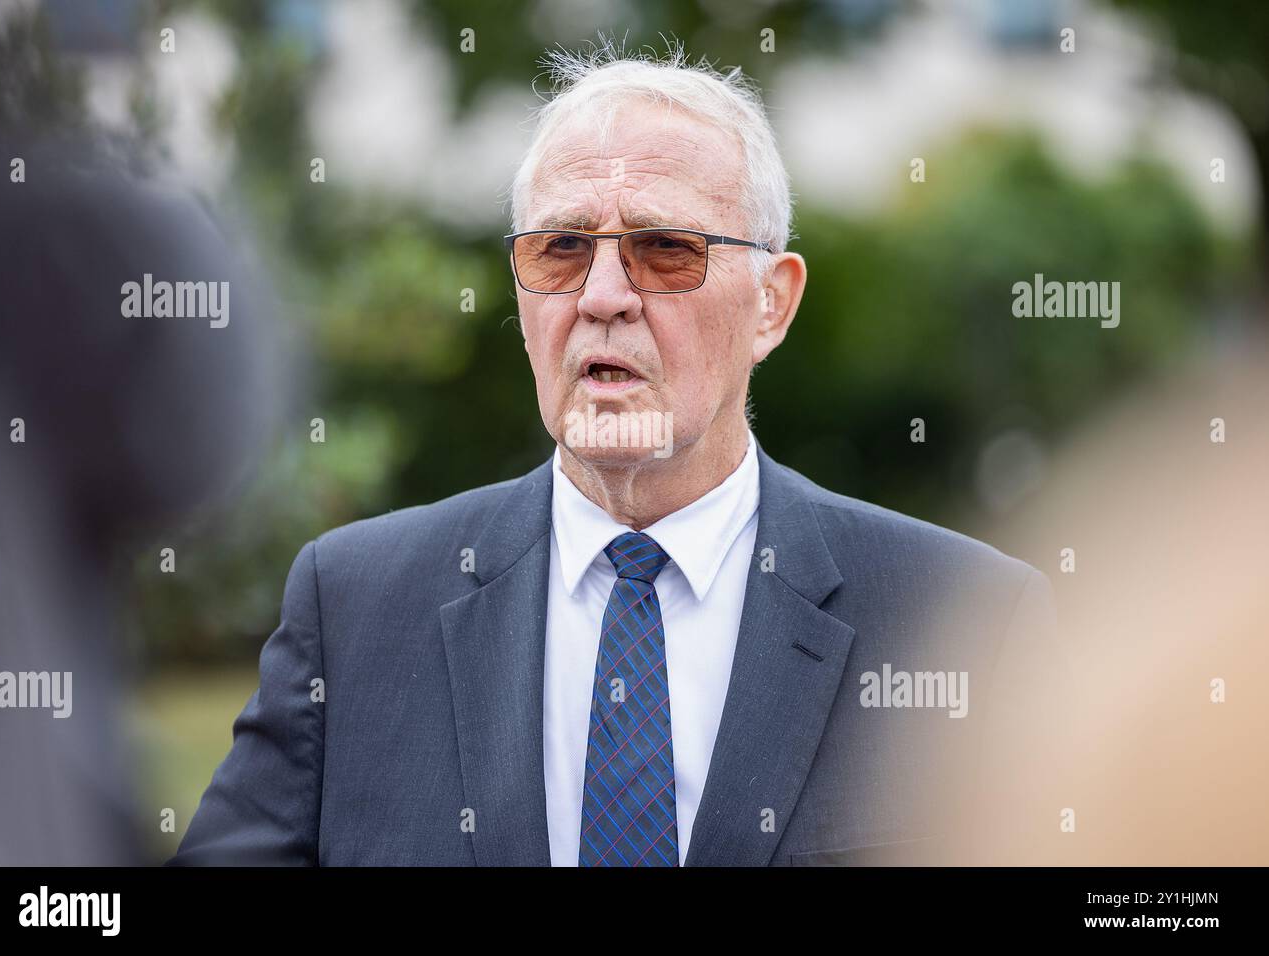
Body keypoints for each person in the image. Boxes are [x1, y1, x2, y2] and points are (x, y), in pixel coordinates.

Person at [171, 43, 1057, 867]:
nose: (602, 297)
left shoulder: (966, 620)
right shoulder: (355, 607)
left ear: (771, 305)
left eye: (665, 249)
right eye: (560, 249)